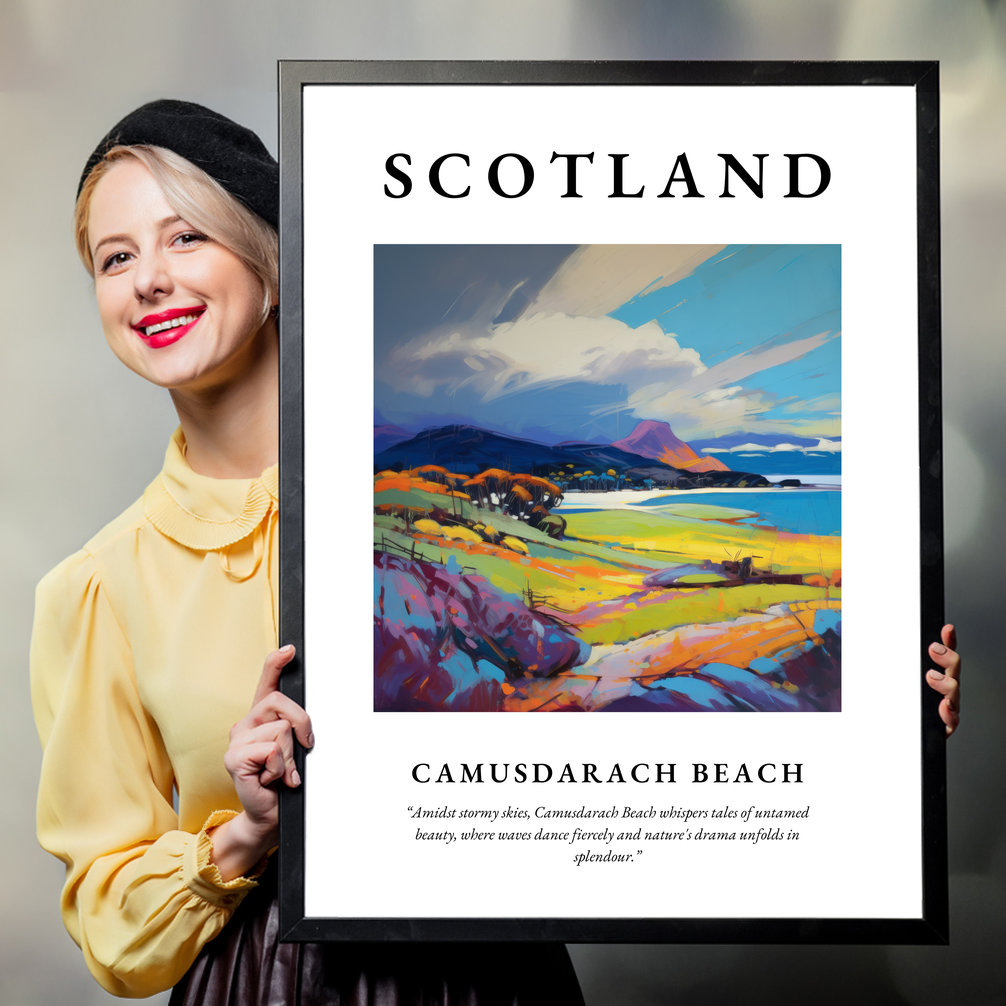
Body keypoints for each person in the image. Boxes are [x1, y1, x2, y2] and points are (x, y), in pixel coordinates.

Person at [30, 100, 585, 1004]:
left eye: (185, 239)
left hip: (493, 974)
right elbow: (110, 923)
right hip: (263, 982)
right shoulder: (97, 587)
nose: (148, 281)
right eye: (116, 257)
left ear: (273, 264)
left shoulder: (432, 506)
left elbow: (580, 689)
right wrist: (245, 832)